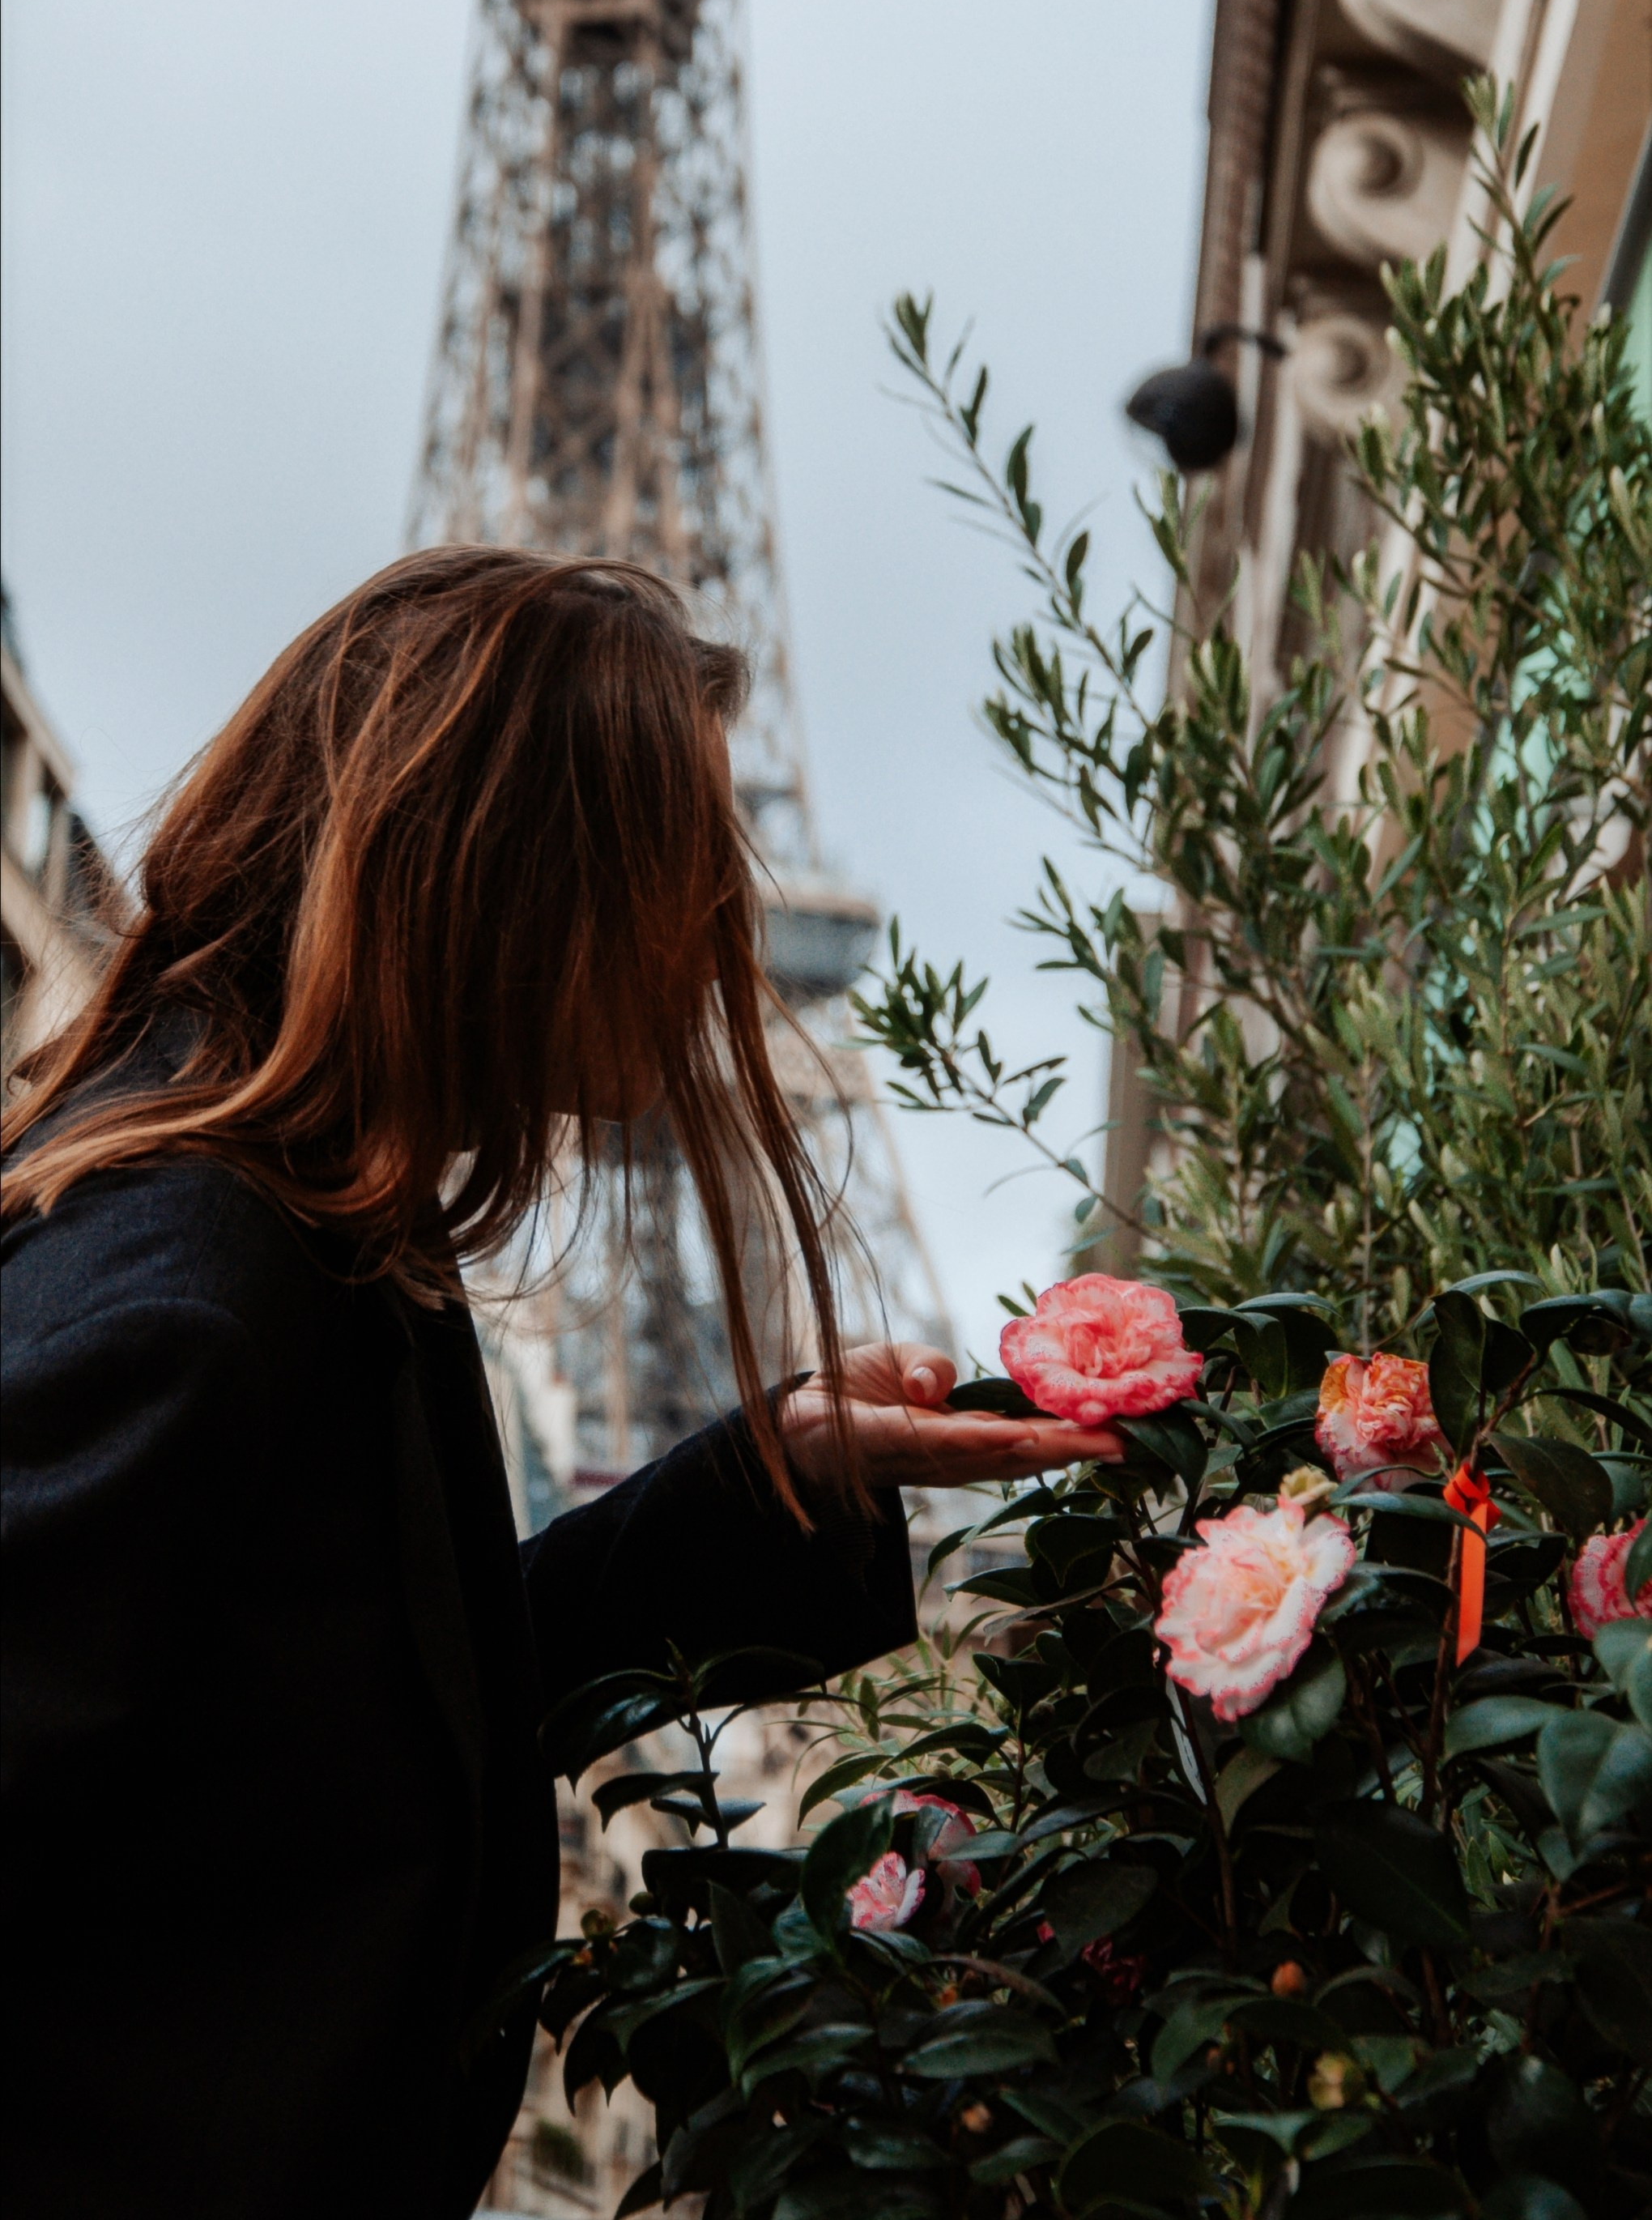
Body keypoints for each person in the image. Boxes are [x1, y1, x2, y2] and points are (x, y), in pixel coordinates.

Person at [1, 551, 1121, 2220]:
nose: (718, 930)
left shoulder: (311, 1232)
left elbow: (334, 1723)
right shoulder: (187, 1289)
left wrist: (768, 1479)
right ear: (520, 874)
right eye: (688, 862)